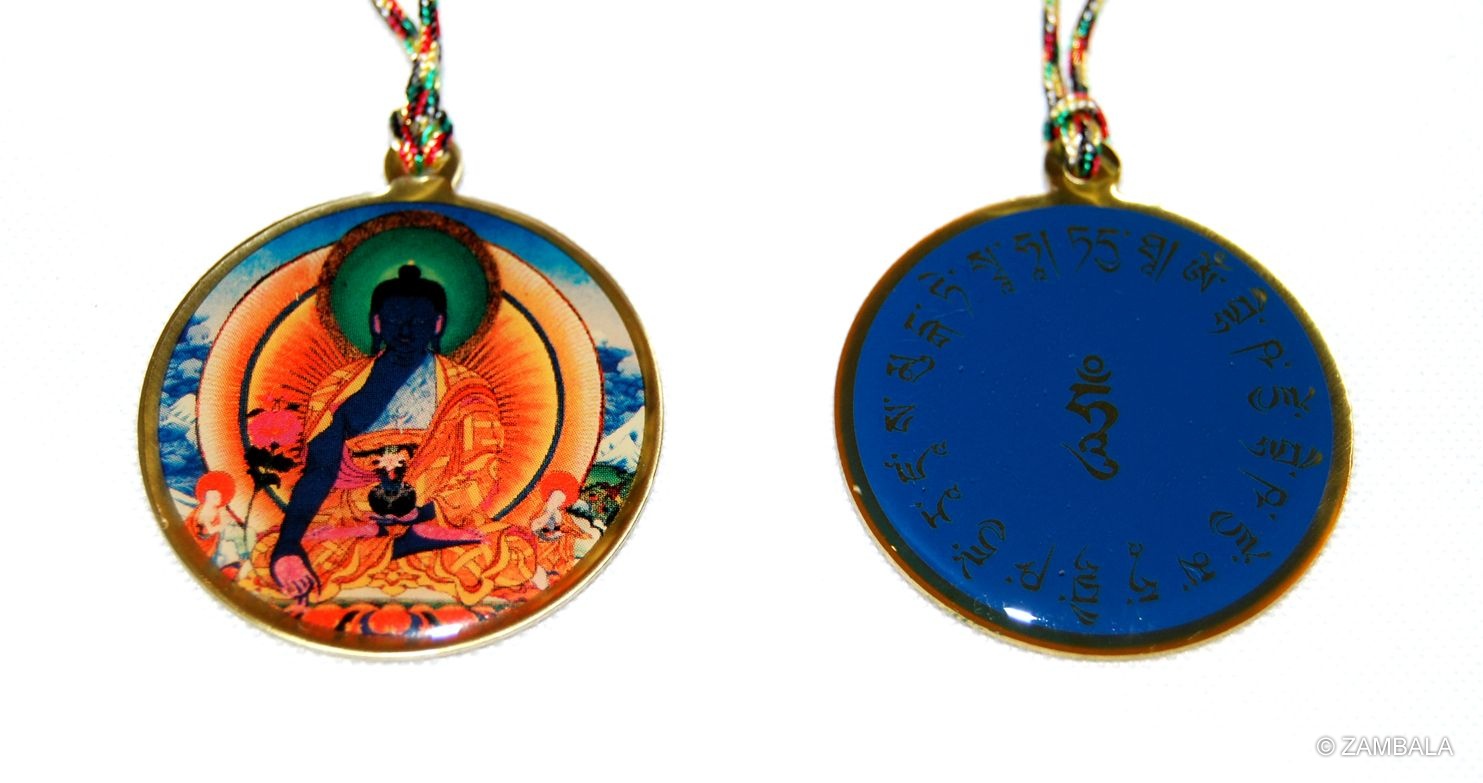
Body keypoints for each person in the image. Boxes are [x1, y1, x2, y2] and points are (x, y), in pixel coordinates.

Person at [251, 264, 539, 605]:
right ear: (377, 323)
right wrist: (288, 547)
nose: (405, 331)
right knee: (271, 551)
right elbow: (319, 471)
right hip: (356, 512)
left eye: (419, 320)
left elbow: (481, 469)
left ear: (438, 324)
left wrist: (423, 512)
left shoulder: (467, 390)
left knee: (511, 552)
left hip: (436, 513)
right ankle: (404, 543)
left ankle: (411, 538)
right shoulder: (337, 388)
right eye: (395, 318)